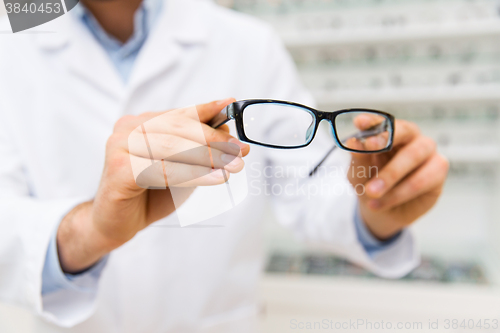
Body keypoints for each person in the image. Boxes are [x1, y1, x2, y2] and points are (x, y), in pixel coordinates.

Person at [0, 0, 449, 331]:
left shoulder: (247, 43)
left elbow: (310, 187)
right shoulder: (11, 35)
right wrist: (90, 230)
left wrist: (373, 209)